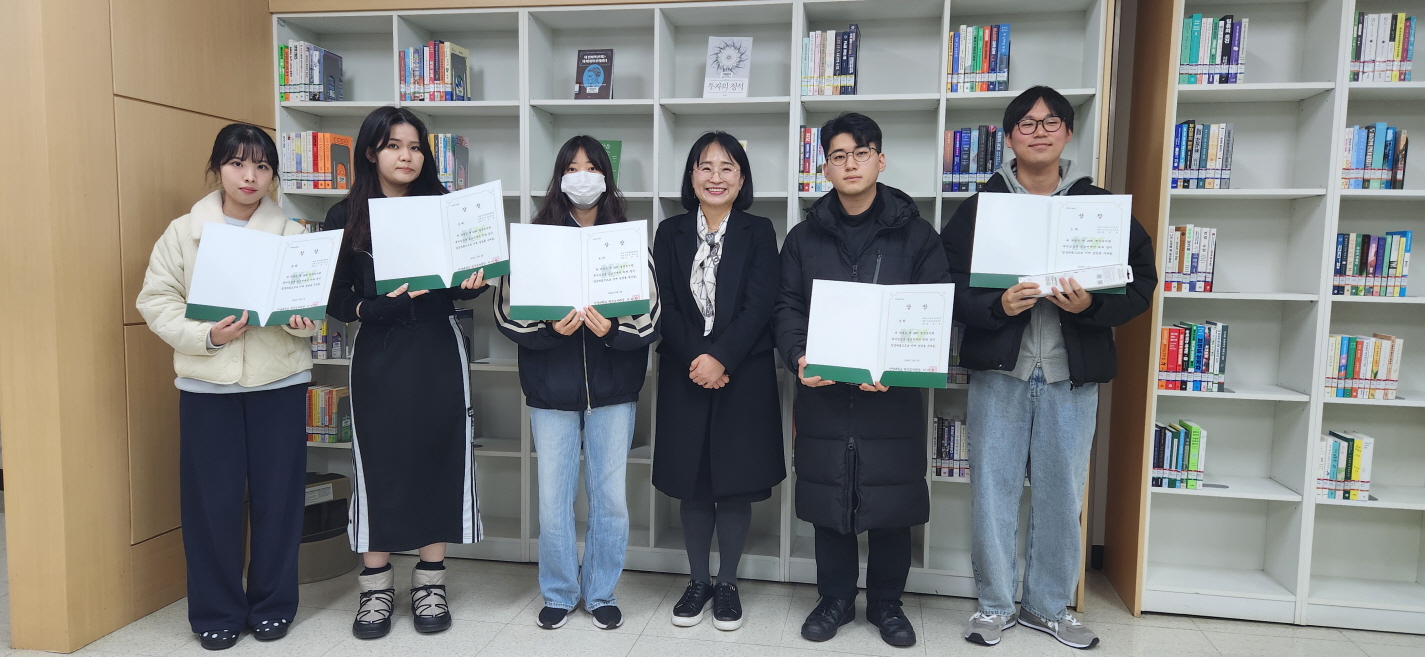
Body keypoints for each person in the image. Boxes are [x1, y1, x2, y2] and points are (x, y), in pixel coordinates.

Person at [941, 86, 1156, 650]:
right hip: (1000, 372)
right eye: (1027, 123)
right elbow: (945, 282)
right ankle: (994, 606)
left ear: (1068, 132)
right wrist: (995, 305)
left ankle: (1048, 607)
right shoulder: (982, 207)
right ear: (1009, 137)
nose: (1039, 132)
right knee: (993, 491)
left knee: (1063, 493)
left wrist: (1091, 307)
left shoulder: (1099, 207)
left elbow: (1141, 281)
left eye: (1051, 122)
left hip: (1070, 373)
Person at [136, 124, 318, 651]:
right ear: (218, 167)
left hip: (278, 382)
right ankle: (216, 611)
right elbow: (156, 301)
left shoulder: (293, 235)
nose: (249, 176)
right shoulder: (182, 233)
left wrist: (300, 322)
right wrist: (207, 337)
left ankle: (273, 606)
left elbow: (312, 309)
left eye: (262, 166)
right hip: (207, 386)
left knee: (278, 501)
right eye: (238, 163)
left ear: (273, 175)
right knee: (210, 505)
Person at [773, 112, 949, 648]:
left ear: (880, 160)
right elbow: (786, 306)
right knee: (829, 500)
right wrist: (798, 356)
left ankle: (888, 604)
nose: (850, 164)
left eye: (861, 153)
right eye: (838, 155)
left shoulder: (917, 235)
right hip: (824, 395)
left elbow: (934, 310)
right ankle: (834, 599)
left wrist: (898, 369)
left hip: (890, 399)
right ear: (824, 167)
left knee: (892, 503)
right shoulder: (803, 237)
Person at [323, 106, 490, 640]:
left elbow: (464, 283)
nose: (407, 156)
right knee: (379, 461)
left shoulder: (446, 208)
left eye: (415, 147)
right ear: (372, 151)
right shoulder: (344, 215)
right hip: (379, 350)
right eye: (394, 146)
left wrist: (474, 282)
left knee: (439, 456)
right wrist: (370, 309)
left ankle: (430, 582)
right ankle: (375, 588)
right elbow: (334, 296)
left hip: (439, 347)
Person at [493, 136, 660, 631]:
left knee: (611, 501)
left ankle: (602, 591)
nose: (582, 177)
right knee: (553, 500)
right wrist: (549, 331)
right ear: (559, 178)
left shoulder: (627, 241)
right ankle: (560, 592)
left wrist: (611, 331)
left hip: (613, 391)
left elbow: (652, 315)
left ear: (606, 177)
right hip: (551, 390)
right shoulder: (536, 241)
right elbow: (506, 311)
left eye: (591, 167)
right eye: (571, 168)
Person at [652, 132, 784, 631]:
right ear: (691, 176)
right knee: (692, 483)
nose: (715, 177)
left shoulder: (759, 230)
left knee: (733, 483)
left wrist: (721, 358)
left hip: (742, 373)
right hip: (685, 370)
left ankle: (727, 583)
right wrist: (699, 358)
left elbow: (761, 304)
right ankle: (697, 581)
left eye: (727, 167)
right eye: (705, 167)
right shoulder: (669, 232)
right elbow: (663, 302)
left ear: (741, 178)